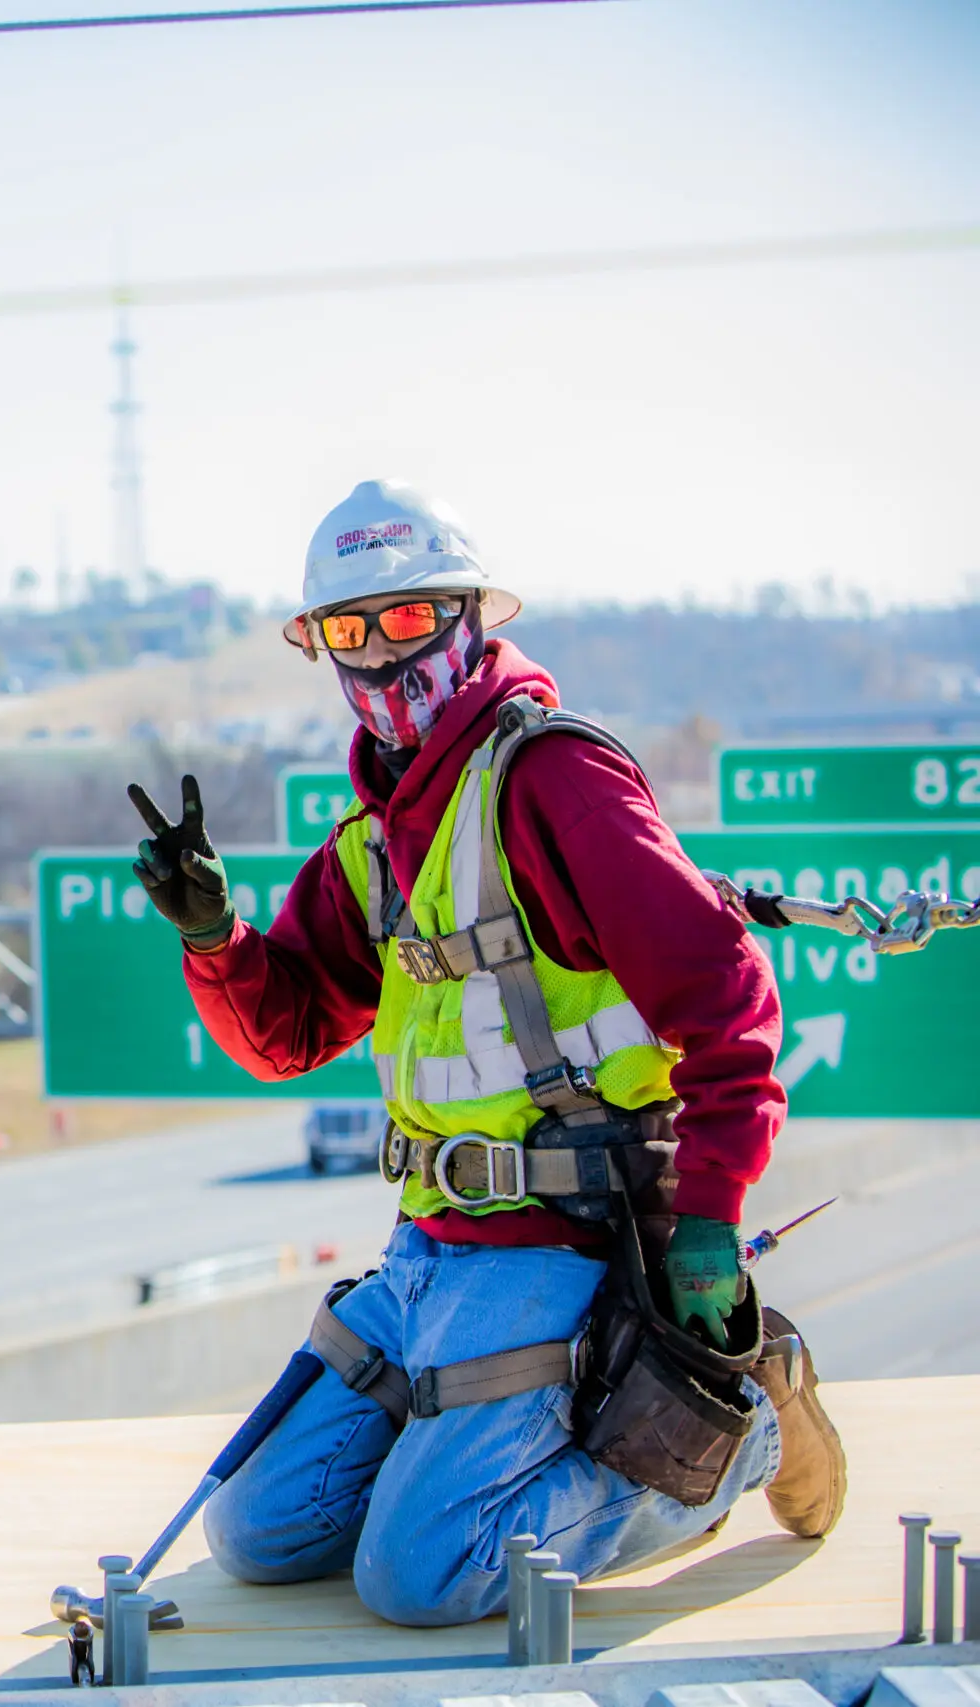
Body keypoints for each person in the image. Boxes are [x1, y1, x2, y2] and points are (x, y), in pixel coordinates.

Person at [125, 479, 843, 1627]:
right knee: (260, 1532)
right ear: (319, 649)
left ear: (469, 617)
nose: (377, 654)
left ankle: (738, 1424)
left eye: (407, 619)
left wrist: (708, 1214)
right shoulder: (380, 836)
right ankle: (488, 1458)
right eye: (347, 630)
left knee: (418, 1576)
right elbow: (288, 1032)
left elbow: (726, 991)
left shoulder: (555, 780)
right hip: (423, 1259)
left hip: (561, 1247)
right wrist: (212, 937)